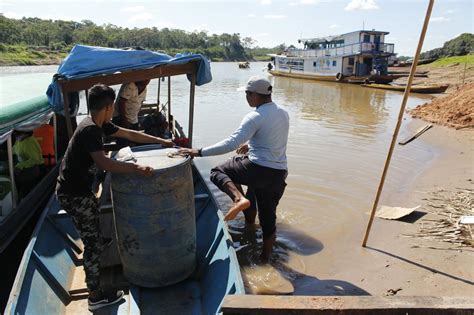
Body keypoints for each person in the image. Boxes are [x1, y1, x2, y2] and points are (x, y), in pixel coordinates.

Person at [56, 83, 173, 311]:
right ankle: (95, 295)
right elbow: (104, 163)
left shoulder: (98, 124)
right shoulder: (90, 129)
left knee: (95, 237)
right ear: (109, 107)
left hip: (79, 191)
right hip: (73, 195)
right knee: (93, 245)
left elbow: (129, 133)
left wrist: (159, 141)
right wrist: (137, 169)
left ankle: (99, 258)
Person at [178, 76, 289, 262]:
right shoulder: (283, 113)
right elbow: (272, 141)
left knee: (218, 172)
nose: (246, 97)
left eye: (247, 93)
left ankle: (238, 199)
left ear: (254, 95)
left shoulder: (255, 116)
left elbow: (231, 143)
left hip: (257, 168)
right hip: (278, 174)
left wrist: (199, 151)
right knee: (268, 220)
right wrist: (250, 146)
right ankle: (265, 259)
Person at [12, 130, 44, 199]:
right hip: (24, 166)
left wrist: (20, 166)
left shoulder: (29, 142)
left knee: (25, 188)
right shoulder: (19, 140)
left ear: (25, 133)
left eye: (18, 134)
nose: (16, 135)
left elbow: (35, 159)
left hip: (34, 168)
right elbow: (14, 149)